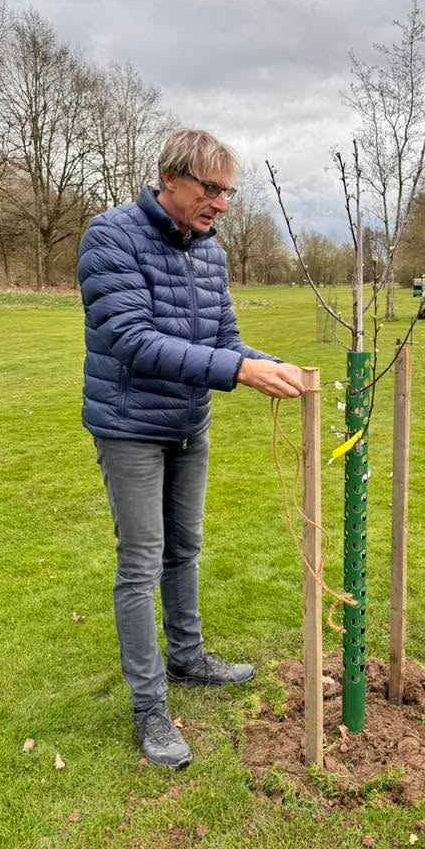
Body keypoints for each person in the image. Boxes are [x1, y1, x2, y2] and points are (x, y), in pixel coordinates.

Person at [78, 128, 304, 769]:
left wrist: (273, 364)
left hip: (187, 423)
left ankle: (188, 657)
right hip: (130, 427)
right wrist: (238, 373)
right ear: (171, 178)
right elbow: (133, 340)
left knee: (187, 547)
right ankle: (150, 708)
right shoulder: (112, 237)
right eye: (212, 189)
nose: (223, 203)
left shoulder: (211, 251)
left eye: (229, 191)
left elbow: (226, 336)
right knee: (141, 561)